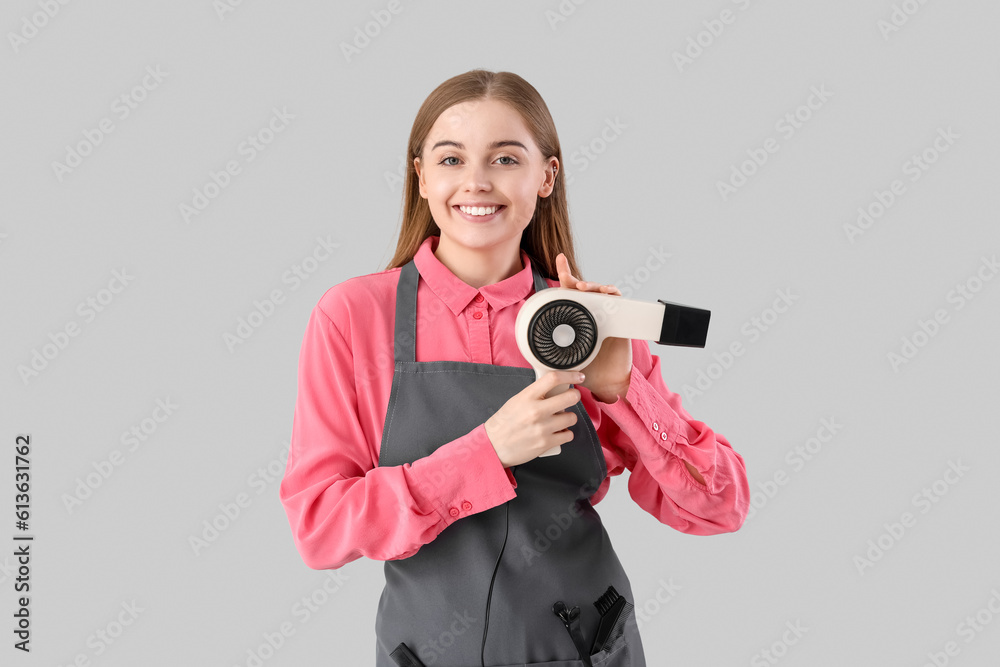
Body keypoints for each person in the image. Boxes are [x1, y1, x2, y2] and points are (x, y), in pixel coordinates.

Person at [279, 69, 749, 667]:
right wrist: (484, 454)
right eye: (450, 159)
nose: (476, 181)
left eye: (504, 158)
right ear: (421, 176)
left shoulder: (590, 325)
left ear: (545, 176)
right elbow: (320, 528)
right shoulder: (352, 316)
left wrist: (623, 390)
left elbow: (719, 508)